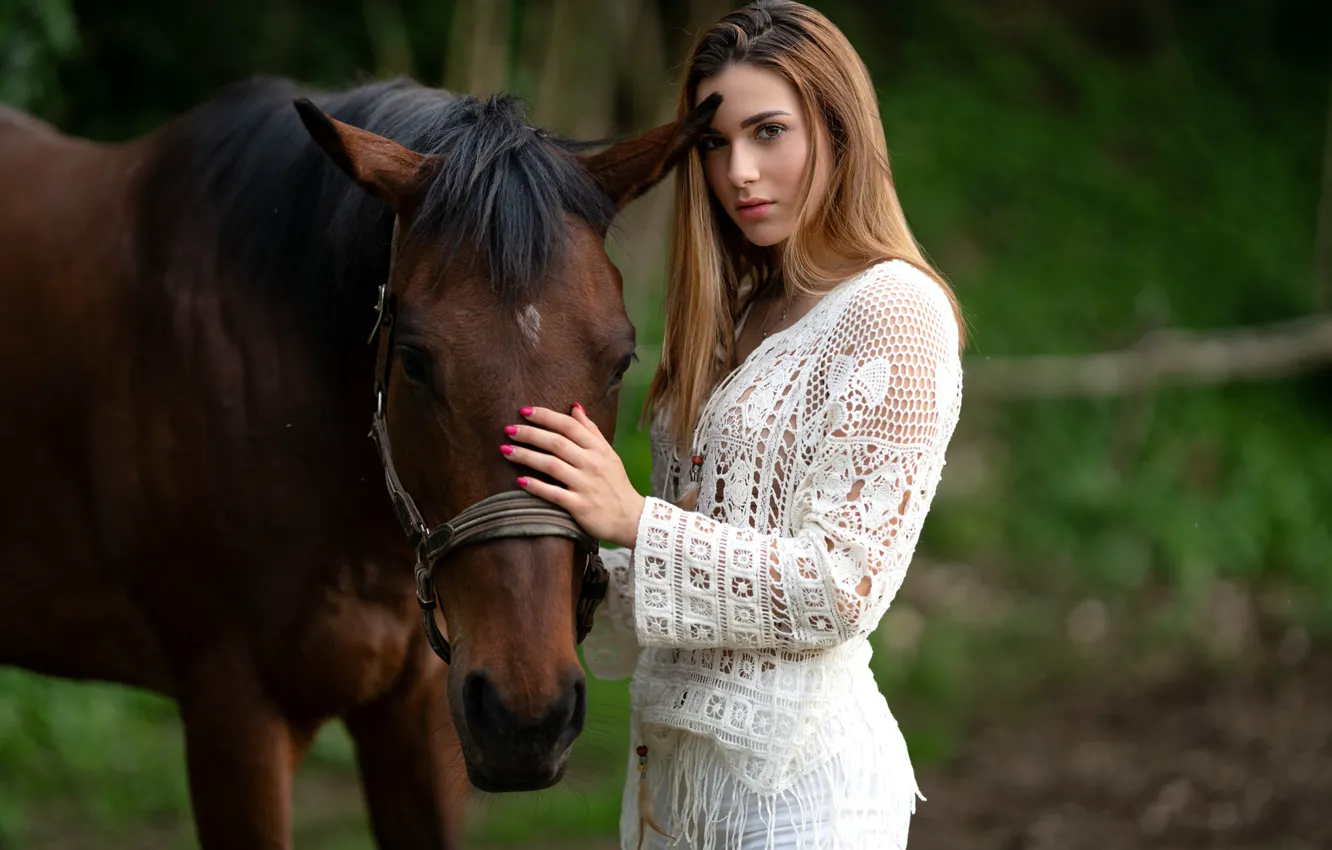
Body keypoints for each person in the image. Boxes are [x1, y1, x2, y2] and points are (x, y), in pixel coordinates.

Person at [499, 2, 966, 847]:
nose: (740, 171)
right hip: (673, 788)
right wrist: (528, 555)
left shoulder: (896, 311)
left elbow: (840, 587)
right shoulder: (740, 315)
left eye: (770, 132)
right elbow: (699, 579)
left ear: (840, 131)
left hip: (803, 798)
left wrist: (636, 517)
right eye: (715, 143)